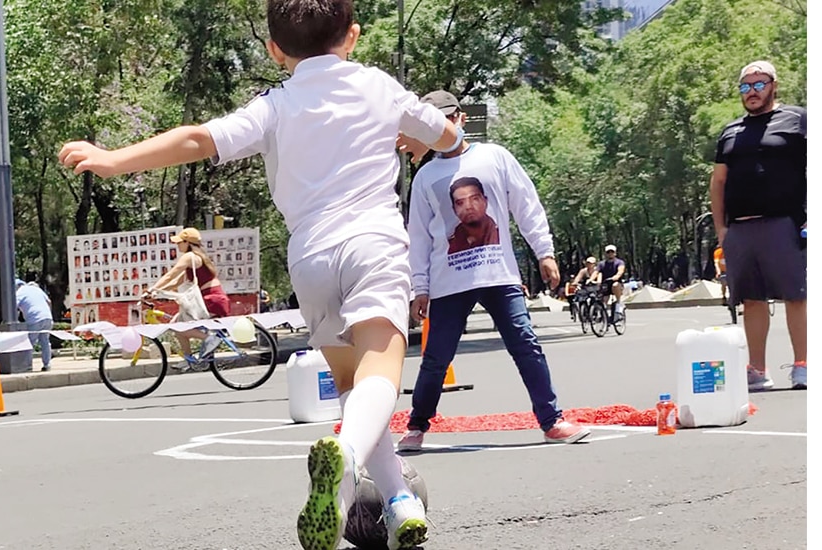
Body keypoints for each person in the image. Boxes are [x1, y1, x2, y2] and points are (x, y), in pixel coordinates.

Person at [57, 1, 464, 546]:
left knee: (349, 384)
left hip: (311, 256)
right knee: (380, 377)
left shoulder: (274, 104)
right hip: (373, 242)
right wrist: (448, 141)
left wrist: (112, 158)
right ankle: (344, 461)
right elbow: (444, 135)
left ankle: (396, 505)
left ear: (275, 50)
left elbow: (199, 139)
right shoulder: (379, 87)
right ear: (354, 36)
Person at [397, 89, 590, 454]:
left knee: (526, 345)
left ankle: (552, 421)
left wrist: (544, 252)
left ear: (461, 119)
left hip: (499, 274)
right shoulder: (426, 177)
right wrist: (418, 288)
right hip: (448, 281)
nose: (442, 127)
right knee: (436, 357)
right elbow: (418, 236)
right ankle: (416, 426)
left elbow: (526, 204)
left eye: (448, 118)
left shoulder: (495, 157)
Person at [709, 60, 806, 391]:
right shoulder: (730, 131)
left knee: (797, 296)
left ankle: (803, 366)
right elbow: (718, 182)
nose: (752, 92)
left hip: (785, 224)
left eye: (758, 84)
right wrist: (722, 228)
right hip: (740, 229)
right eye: (745, 87)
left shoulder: (797, 119)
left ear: (773, 85)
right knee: (751, 299)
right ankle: (758, 370)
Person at [144, 227, 230, 368]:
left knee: (179, 327)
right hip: (211, 299)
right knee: (175, 323)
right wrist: (155, 292)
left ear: (188, 243)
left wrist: (153, 288)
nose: (177, 245)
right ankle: (188, 360)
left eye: (180, 242)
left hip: (211, 300)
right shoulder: (197, 258)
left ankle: (210, 338)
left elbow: (171, 274)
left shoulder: (189, 257)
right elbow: (176, 282)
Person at [16, 278, 54, 371]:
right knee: (45, 341)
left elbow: (14, 305)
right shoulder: (37, 289)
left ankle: (27, 366)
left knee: (29, 343)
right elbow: (49, 301)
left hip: (34, 319)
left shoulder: (20, 292)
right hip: (47, 317)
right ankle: (47, 364)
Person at [596, 245, 626, 320]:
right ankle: (603, 315)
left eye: (612, 252)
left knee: (615, 285)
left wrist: (617, 276)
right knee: (604, 299)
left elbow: (621, 270)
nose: (610, 254)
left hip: (616, 283)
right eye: (608, 252)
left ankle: (619, 304)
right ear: (605, 254)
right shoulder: (601, 264)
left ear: (615, 253)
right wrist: (591, 279)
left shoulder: (619, 262)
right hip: (606, 284)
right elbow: (596, 272)